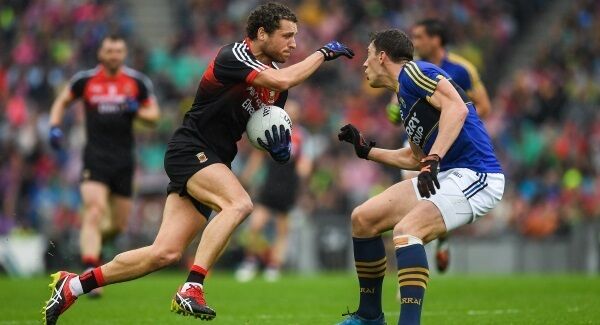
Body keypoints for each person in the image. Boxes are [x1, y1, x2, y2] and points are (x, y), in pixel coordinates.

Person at [43, 2, 353, 324]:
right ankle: (192, 286)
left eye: (296, 37)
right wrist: (322, 54)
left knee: (164, 252)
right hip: (190, 149)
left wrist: (276, 149)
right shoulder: (233, 55)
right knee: (239, 204)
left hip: (214, 158)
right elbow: (282, 81)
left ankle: (73, 285)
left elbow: (255, 126)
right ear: (262, 33)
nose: (293, 44)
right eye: (287, 36)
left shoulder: (275, 84)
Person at [336, 29, 503, 325]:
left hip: (478, 174)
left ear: (383, 57)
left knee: (406, 231)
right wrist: (367, 150)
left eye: (368, 55)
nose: (364, 64)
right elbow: (414, 157)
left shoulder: (415, 72)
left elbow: (456, 108)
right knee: (364, 218)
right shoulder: (403, 97)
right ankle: (369, 316)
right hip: (448, 173)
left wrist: (434, 159)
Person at [47, 34, 160, 296]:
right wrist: (54, 126)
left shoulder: (137, 82)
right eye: (109, 50)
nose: (113, 55)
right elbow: (62, 101)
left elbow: (153, 116)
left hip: (124, 161)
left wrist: (136, 111)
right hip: (95, 157)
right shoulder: (85, 80)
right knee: (95, 210)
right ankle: (89, 272)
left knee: (119, 225)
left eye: (118, 51)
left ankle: (92, 249)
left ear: (124, 54)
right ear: (100, 53)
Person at [386, 18, 493, 273]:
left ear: (436, 39)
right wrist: (394, 108)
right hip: (421, 142)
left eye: (420, 36)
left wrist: (454, 124)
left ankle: (434, 235)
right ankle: (416, 248)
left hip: (451, 141)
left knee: (426, 194)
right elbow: (394, 114)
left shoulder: (461, 69)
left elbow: (484, 107)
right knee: (412, 188)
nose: (416, 41)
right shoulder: (410, 70)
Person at [235, 100, 313, 282]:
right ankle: (250, 261)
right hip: (270, 184)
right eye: (289, 110)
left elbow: (305, 164)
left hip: (288, 187)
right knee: (255, 225)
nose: (292, 114)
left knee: (282, 230)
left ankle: (273, 266)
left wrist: (304, 182)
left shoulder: (303, 136)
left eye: (295, 111)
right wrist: (246, 179)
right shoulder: (272, 129)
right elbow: (258, 156)